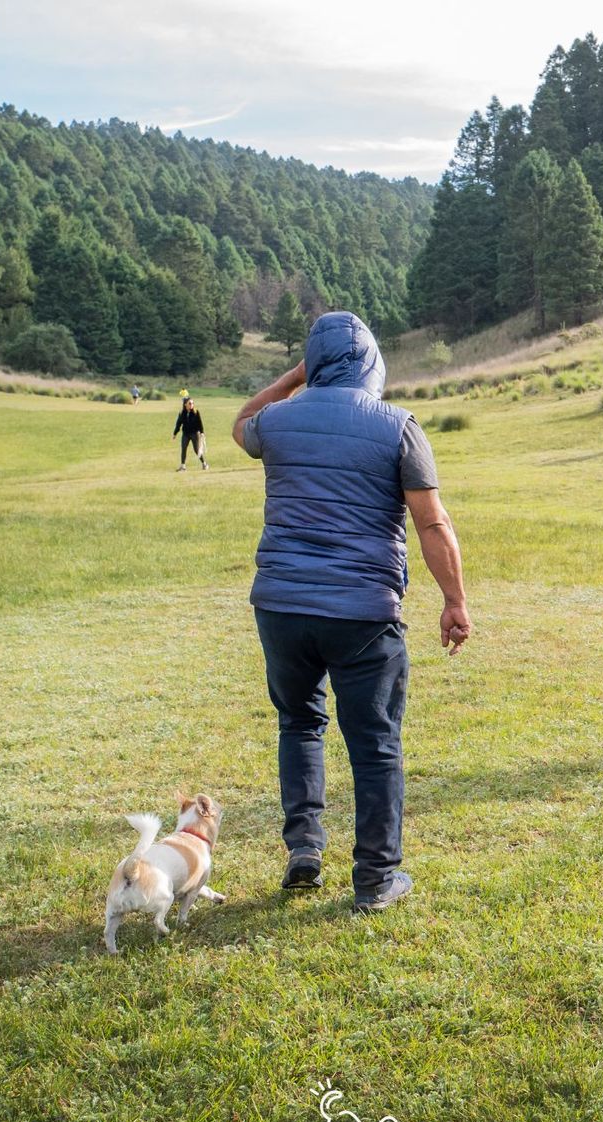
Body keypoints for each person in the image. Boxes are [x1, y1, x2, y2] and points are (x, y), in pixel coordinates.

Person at [230, 311, 472, 913]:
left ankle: (305, 849)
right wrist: (455, 600)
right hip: (364, 612)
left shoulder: (279, 421)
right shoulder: (398, 427)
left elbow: (238, 425)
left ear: (314, 363)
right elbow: (431, 521)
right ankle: (376, 878)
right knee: (375, 743)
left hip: (282, 606)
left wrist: (296, 376)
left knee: (299, 724)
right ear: (373, 363)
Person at [172, 393, 207, 470]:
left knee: (196, 450)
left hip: (194, 433)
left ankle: (204, 464)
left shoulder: (196, 412)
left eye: (192, 403)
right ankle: (183, 466)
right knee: (183, 448)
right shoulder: (182, 413)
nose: (191, 405)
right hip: (186, 434)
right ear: (185, 405)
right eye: (190, 403)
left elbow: (200, 423)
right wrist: (175, 433)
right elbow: (178, 424)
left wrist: (202, 432)